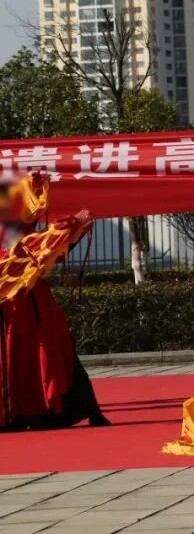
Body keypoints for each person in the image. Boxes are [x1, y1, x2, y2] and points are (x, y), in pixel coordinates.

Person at [0, 175, 109, 431]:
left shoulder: (19, 228)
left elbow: (44, 248)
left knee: (49, 350)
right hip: (18, 303)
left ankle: (40, 411)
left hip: (27, 300)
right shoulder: (16, 228)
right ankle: (25, 413)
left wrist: (71, 231)